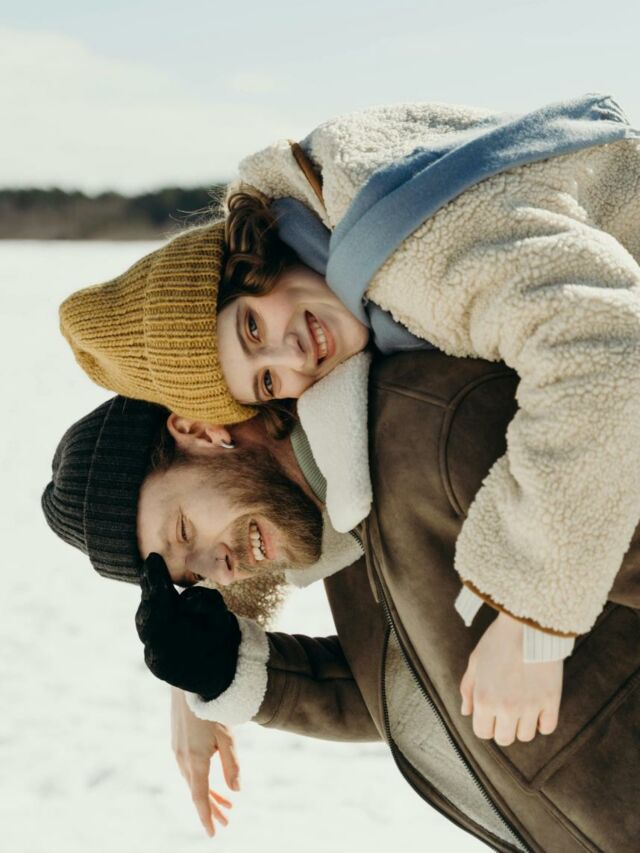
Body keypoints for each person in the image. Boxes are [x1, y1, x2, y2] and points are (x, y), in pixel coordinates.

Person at [57, 94, 640, 715]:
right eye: (267, 383)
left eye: (252, 327)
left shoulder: (401, 235)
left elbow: (606, 351)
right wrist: (203, 679)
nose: (291, 357)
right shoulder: (340, 306)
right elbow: (259, 510)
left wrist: (531, 621)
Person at [42, 349, 640, 850]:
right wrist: (227, 674)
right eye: (190, 574)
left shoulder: (430, 430)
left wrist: (536, 631)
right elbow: (419, 690)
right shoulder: (340, 536)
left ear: (198, 430)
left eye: (183, 530)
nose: (217, 570)